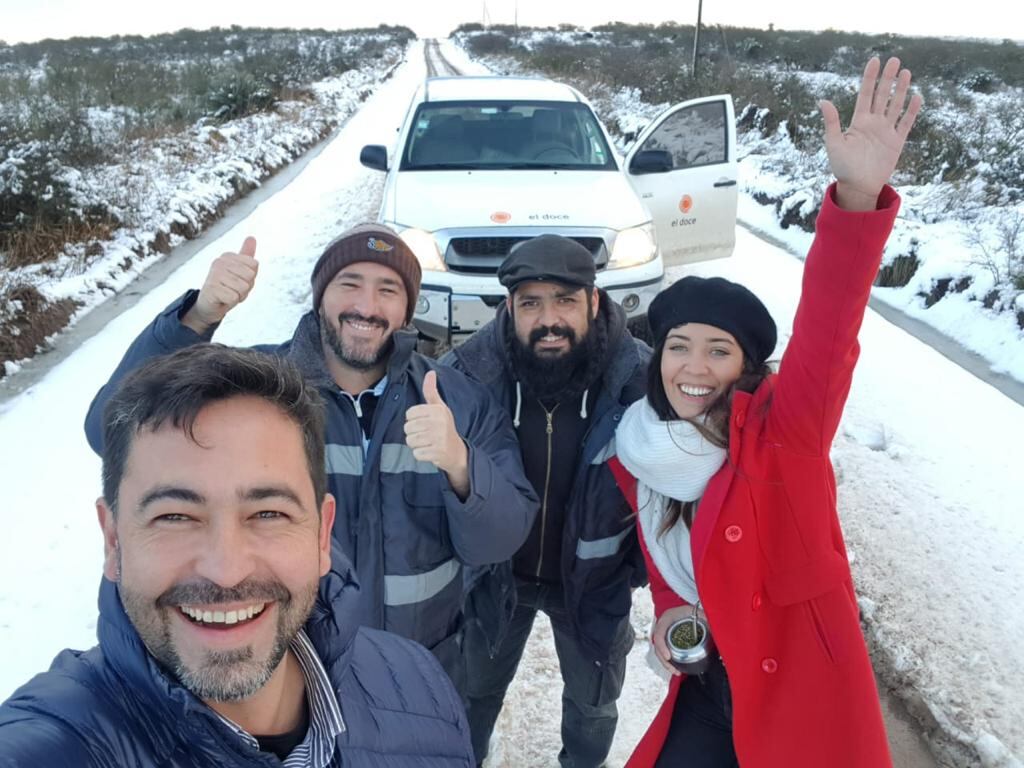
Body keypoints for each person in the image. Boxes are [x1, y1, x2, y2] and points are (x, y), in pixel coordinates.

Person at [609, 57, 923, 767]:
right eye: (678, 347)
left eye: (717, 351)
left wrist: (857, 195)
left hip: (798, 699)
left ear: (745, 368)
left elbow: (829, 327)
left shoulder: (787, 434)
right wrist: (669, 620)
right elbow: (669, 572)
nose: (693, 367)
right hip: (709, 686)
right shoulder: (641, 452)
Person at [82, 224, 538, 692]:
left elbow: (498, 543)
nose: (366, 305)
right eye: (349, 284)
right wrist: (198, 318)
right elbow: (108, 429)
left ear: (406, 310)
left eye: (388, 290)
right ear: (320, 298)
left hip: (420, 673)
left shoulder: (459, 402)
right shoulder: (255, 392)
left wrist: (461, 465)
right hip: (288, 680)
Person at [0, 344, 475, 767]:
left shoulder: (419, 684)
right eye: (175, 517)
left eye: (268, 514)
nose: (226, 572)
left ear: (322, 534)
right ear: (113, 539)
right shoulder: (56, 743)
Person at [442, 236, 649, 767]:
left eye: (565, 301)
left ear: (594, 302)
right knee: (472, 693)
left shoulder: (638, 381)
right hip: (496, 575)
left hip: (593, 579)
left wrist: (638, 564)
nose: (548, 319)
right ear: (509, 308)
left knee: (593, 704)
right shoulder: (469, 376)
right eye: (531, 303)